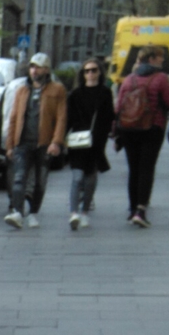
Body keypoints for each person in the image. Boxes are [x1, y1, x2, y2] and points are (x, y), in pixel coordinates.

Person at [113, 48, 169, 227]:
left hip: (128, 129)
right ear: (151, 58)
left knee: (133, 169)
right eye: (160, 58)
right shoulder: (161, 78)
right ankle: (141, 210)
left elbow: (118, 108)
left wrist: (116, 132)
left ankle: (132, 209)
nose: (162, 61)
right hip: (152, 127)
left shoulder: (128, 79)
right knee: (146, 168)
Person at [0, 53, 65, 229]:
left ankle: (33, 212)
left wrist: (56, 142)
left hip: (44, 143)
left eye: (38, 67)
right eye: (32, 67)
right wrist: (10, 145)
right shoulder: (22, 90)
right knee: (19, 178)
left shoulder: (57, 90)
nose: (34, 71)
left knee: (39, 180)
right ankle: (18, 212)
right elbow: (14, 118)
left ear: (46, 69)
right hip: (23, 142)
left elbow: (61, 118)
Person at [62, 55, 113, 230]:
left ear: (100, 72)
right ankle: (74, 212)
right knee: (77, 178)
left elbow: (108, 118)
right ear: (82, 74)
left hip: (96, 142)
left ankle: (84, 212)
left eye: (94, 70)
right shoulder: (75, 94)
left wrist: (103, 137)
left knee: (90, 178)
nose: (90, 74)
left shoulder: (105, 93)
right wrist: (61, 139)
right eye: (87, 71)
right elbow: (68, 118)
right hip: (77, 141)